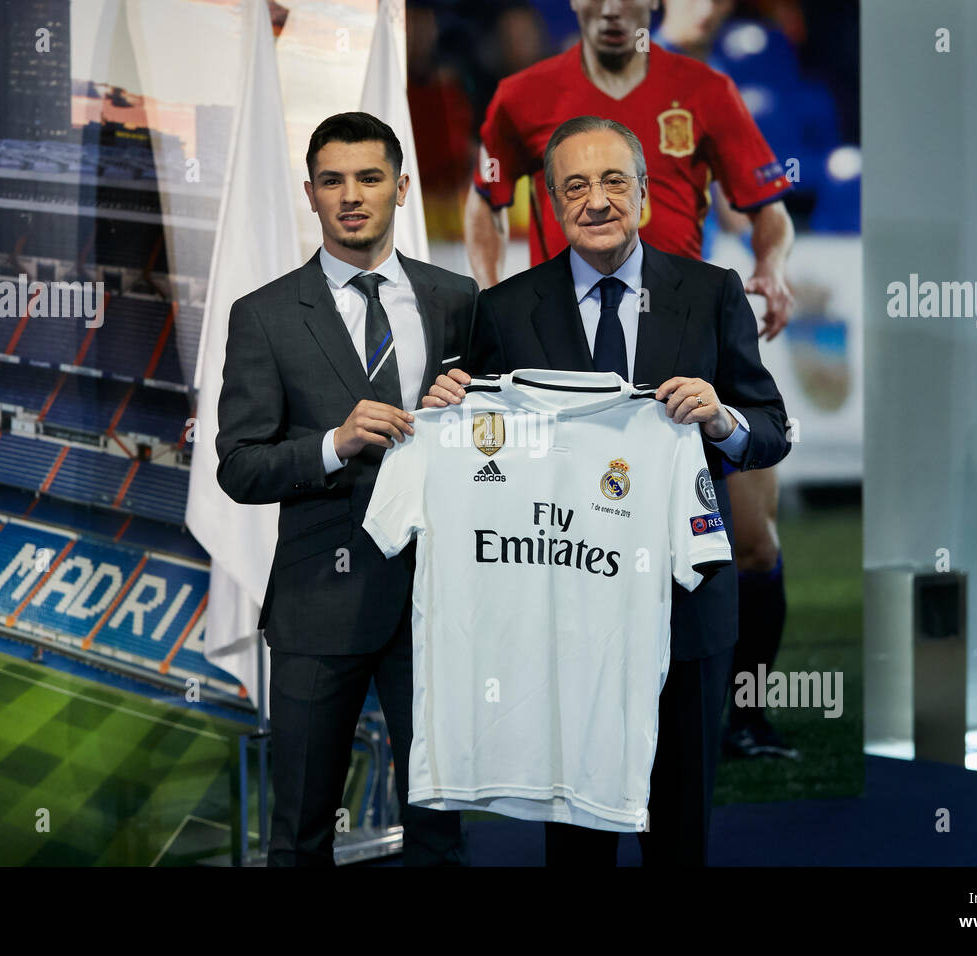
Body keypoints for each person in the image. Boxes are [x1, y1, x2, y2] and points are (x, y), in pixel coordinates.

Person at [428, 116, 789, 865]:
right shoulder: (501, 310)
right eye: (576, 187)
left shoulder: (712, 292)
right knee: (578, 834)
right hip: (567, 605)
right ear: (553, 206)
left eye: (614, 180)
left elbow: (773, 429)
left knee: (680, 826)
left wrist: (722, 421)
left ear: (647, 195)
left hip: (688, 603)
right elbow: (475, 443)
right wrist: (448, 413)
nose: (597, 201)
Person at [466, 0, 799, 761]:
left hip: (692, 342)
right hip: (565, 352)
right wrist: (487, 295)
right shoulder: (521, 95)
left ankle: (741, 713)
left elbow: (767, 210)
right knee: (571, 541)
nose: (613, 8)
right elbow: (481, 204)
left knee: (747, 542)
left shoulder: (706, 90)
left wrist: (770, 268)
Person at [216, 112, 473, 867]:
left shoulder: (459, 299)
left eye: (368, 178)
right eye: (333, 181)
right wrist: (335, 444)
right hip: (317, 608)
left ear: (401, 187)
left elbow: (494, 448)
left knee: (439, 829)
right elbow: (239, 467)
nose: (351, 196)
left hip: (437, 602)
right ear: (310, 193)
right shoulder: (263, 315)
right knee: (299, 833)